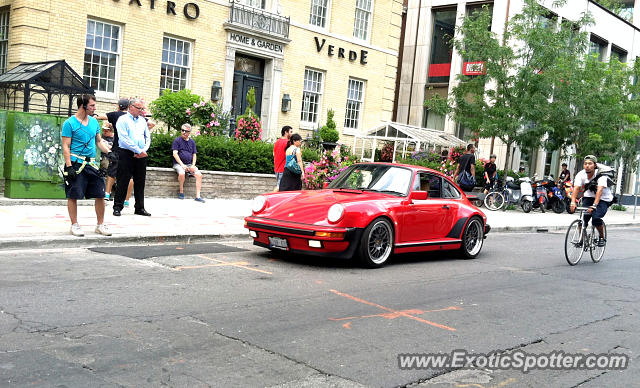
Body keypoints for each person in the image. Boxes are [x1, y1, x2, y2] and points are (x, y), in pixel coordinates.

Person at [61, 94, 112, 237]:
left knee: (100, 194)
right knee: (73, 195)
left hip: (92, 164)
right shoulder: (69, 123)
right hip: (76, 163)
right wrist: (69, 166)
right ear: (83, 106)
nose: (94, 108)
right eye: (92, 106)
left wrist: (109, 152)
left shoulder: (94, 123)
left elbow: (99, 141)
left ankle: (100, 225)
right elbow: (66, 146)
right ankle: (74, 225)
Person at [113, 98, 151, 217]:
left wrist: (143, 150)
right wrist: (137, 150)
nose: (141, 111)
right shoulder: (122, 120)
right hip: (126, 153)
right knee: (123, 180)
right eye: (138, 108)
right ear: (131, 107)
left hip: (141, 155)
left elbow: (147, 136)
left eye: (142, 108)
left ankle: (139, 207)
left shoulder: (142, 121)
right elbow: (124, 139)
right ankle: (118, 206)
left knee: (140, 182)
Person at [569, 155, 613, 247]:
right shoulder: (581, 174)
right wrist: (573, 202)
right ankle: (581, 239)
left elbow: (600, 191)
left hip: (603, 199)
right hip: (588, 197)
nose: (587, 166)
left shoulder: (601, 175)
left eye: (590, 163)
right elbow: (576, 189)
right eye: (585, 164)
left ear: (595, 165)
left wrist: (594, 205)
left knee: (596, 218)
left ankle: (601, 237)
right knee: (583, 219)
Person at [97, 99, 134, 205]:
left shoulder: (115, 115)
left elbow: (99, 116)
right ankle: (126, 200)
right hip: (131, 149)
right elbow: (151, 123)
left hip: (118, 147)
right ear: (129, 107)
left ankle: (107, 194)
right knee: (129, 175)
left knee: (112, 171)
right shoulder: (133, 117)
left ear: (119, 106)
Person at [172, 123, 205, 202]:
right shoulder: (177, 140)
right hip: (178, 164)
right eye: (182, 130)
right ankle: (181, 192)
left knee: (199, 175)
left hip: (190, 164)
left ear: (189, 132)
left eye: (186, 131)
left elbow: (194, 154)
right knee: (182, 173)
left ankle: (198, 196)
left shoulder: (192, 142)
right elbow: (175, 154)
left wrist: (193, 165)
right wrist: (182, 165)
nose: (183, 132)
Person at [273, 125, 292, 191]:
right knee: (279, 187)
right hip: (283, 168)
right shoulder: (288, 143)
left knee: (280, 187)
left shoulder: (277, 142)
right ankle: (270, 198)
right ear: (286, 132)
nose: (291, 134)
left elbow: (273, 154)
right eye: (290, 132)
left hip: (276, 168)